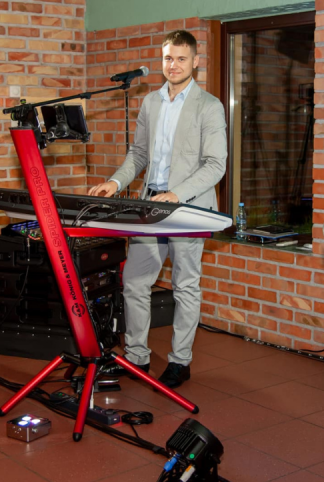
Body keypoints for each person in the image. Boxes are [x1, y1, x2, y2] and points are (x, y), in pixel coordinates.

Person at [88, 30, 227, 388]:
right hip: (149, 206)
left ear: (195, 61)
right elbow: (138, 154)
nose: (173, 65)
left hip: (188, 208)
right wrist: (115, 183)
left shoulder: (209, 106)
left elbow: (215, 165)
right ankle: (137, 357)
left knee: (185, 286)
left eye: (181, 58)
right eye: (168, 58)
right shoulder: (150, 102)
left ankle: (181, 361)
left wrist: (177, 194)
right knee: (135, 282)